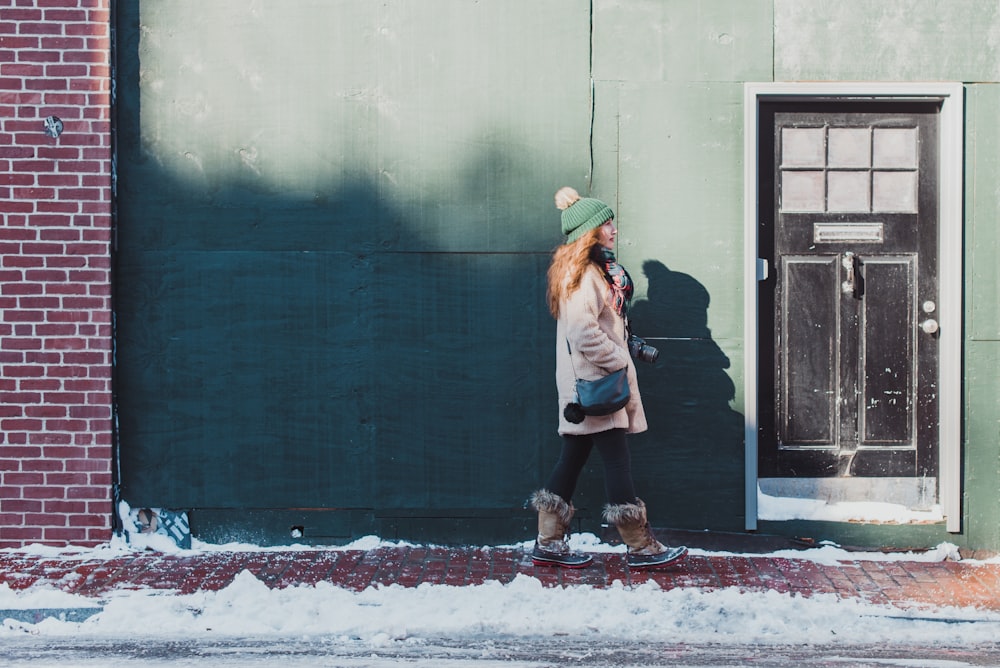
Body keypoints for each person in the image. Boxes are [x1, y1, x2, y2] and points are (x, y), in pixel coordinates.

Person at [527, 186, 688, 570]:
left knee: (573, 457)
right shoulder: (585, 275)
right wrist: (618, 359)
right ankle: (640, 547)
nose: (613, 229)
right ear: (590, 231)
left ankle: (549, 542)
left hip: (588, 385)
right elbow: (582, 332)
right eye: (606, 223)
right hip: (596, 383)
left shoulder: (589, 272)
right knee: (617, 462)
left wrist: (625, 344)